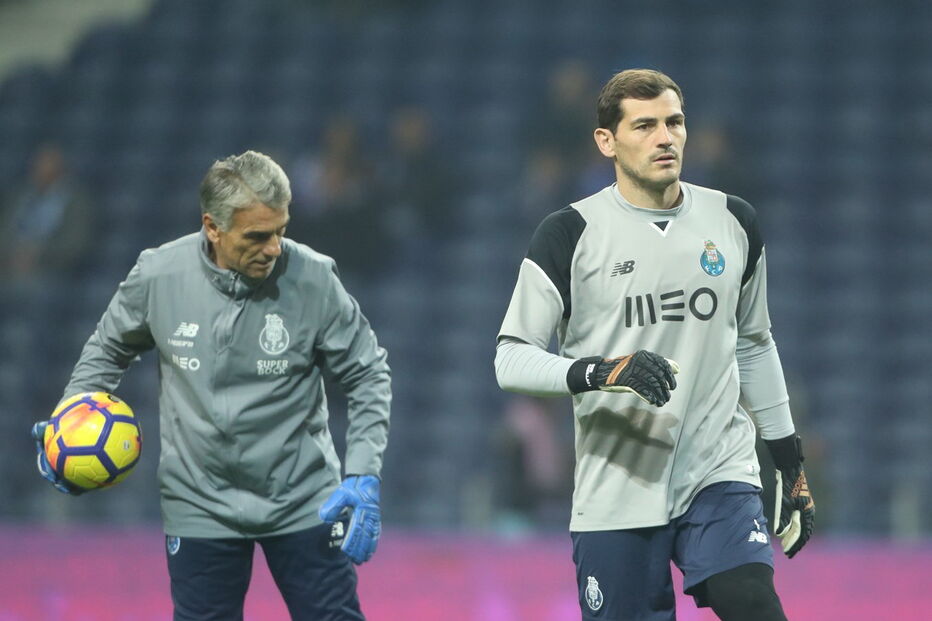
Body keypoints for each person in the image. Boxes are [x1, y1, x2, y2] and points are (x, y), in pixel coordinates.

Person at [494, 69, 814, 620]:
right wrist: (599, 371)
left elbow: (755, 343)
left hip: (719, 470)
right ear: (607, 142)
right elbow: (510, 358)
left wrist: (789, 459)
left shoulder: (733, 221)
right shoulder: (569, 234)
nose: (664, 137)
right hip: (617, 487)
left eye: (674, 122)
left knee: (754, 604)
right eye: (644, 126)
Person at [30, 150, 391, 621]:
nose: (274, 248)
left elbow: (367, 371)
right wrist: (69, 421)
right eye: (258, 236)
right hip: (199, 504)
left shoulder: (314, 278)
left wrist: (362, 473)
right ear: (212, 227)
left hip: (304, 502)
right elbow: (106, 350)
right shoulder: (159, 275)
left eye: (282, 231)